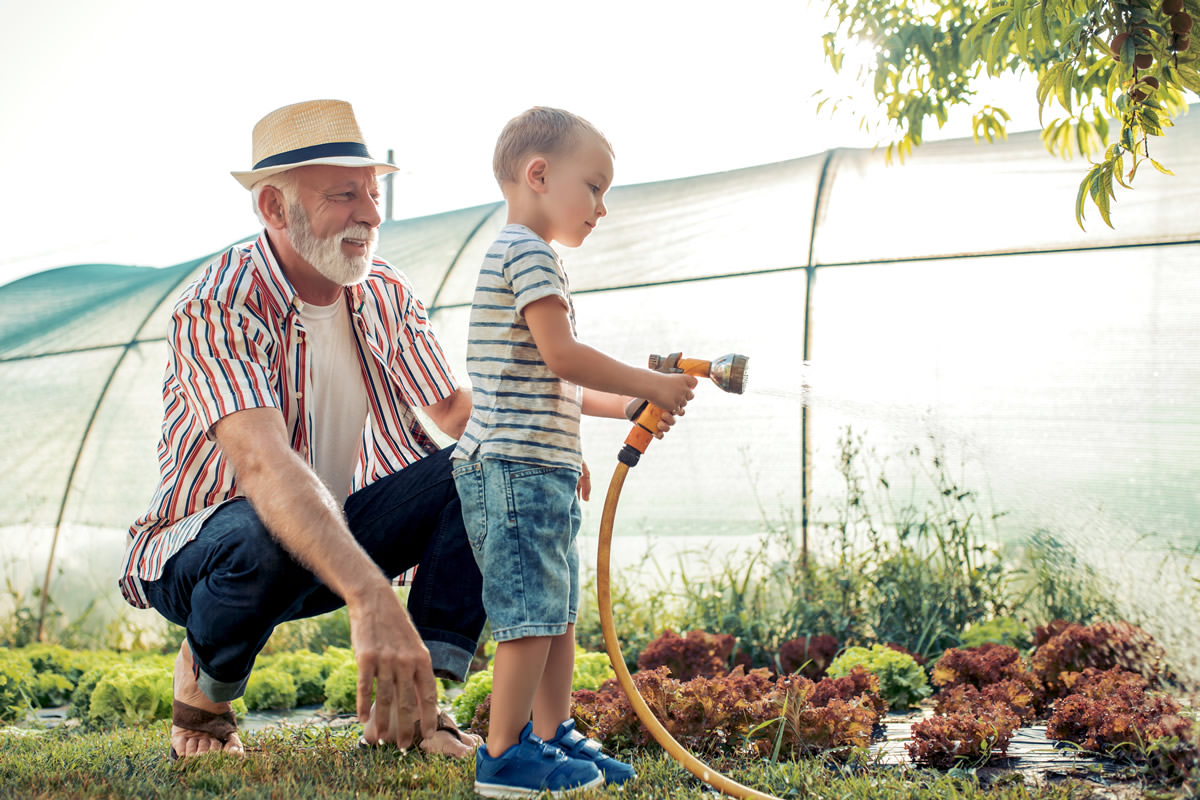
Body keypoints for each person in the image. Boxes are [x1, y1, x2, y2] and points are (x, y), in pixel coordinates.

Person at [118, 99, 485, 762]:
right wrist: (372, 596)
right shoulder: (220, 301)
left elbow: (457, 415)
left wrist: (544, 428)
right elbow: (262, 466)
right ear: (273, 208)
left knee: (491, 462)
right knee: (264, 527)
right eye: (344, 195)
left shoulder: (385, 292)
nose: (371, 215)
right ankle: (203, 697)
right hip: (213, 551)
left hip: (340, 534)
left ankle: (413, 708)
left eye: (375, 194)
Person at [451, 107, 698, 798]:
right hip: (513, 467)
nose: (602, 208)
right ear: (538, 174)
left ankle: (551, 736)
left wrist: (625, 406)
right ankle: (503, 758)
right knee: (531, 613)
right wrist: (648, 381)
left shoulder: (532, 254)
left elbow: (552, 377)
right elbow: (564, 354)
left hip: (539, 468)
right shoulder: (525, 251)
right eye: (594, 187)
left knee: (555, 610)